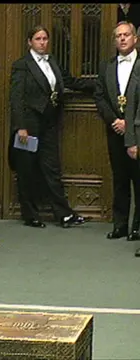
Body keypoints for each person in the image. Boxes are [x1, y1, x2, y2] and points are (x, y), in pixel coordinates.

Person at [9, 25, 95, 228]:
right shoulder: (22, 65)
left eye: (45, 38)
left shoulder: (52, 61)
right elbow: (16, 98)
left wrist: (100, 85)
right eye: (38, 39)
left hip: (48, 123)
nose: (42, 42)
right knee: (27, 169)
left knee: (52, 168)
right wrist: (20, 127)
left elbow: (69, 81)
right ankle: (30, 215)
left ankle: (64, 215)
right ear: (29, 42)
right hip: (28, 127)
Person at [94, 21, 140, 241]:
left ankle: (138, 228)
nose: (122, 39)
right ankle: (120, 224)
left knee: (138, 181)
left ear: (135, 39)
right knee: (119, 179)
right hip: (114, 130)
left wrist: (129, 123)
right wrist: (115, 120)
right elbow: (100, 96)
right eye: (119, 36)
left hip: (138, 132)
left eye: (127, 35)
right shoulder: (107, 66)